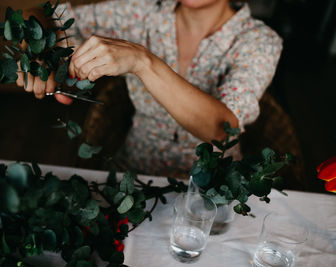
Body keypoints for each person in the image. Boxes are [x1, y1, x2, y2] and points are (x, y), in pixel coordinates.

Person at [16, 0, 282, 176]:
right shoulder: (141, 13)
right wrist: (38, 49)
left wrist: (143, 62)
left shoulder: (259, 40)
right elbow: (45, 13)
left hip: (213, 189)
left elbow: (223, 130)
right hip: (134, 175)